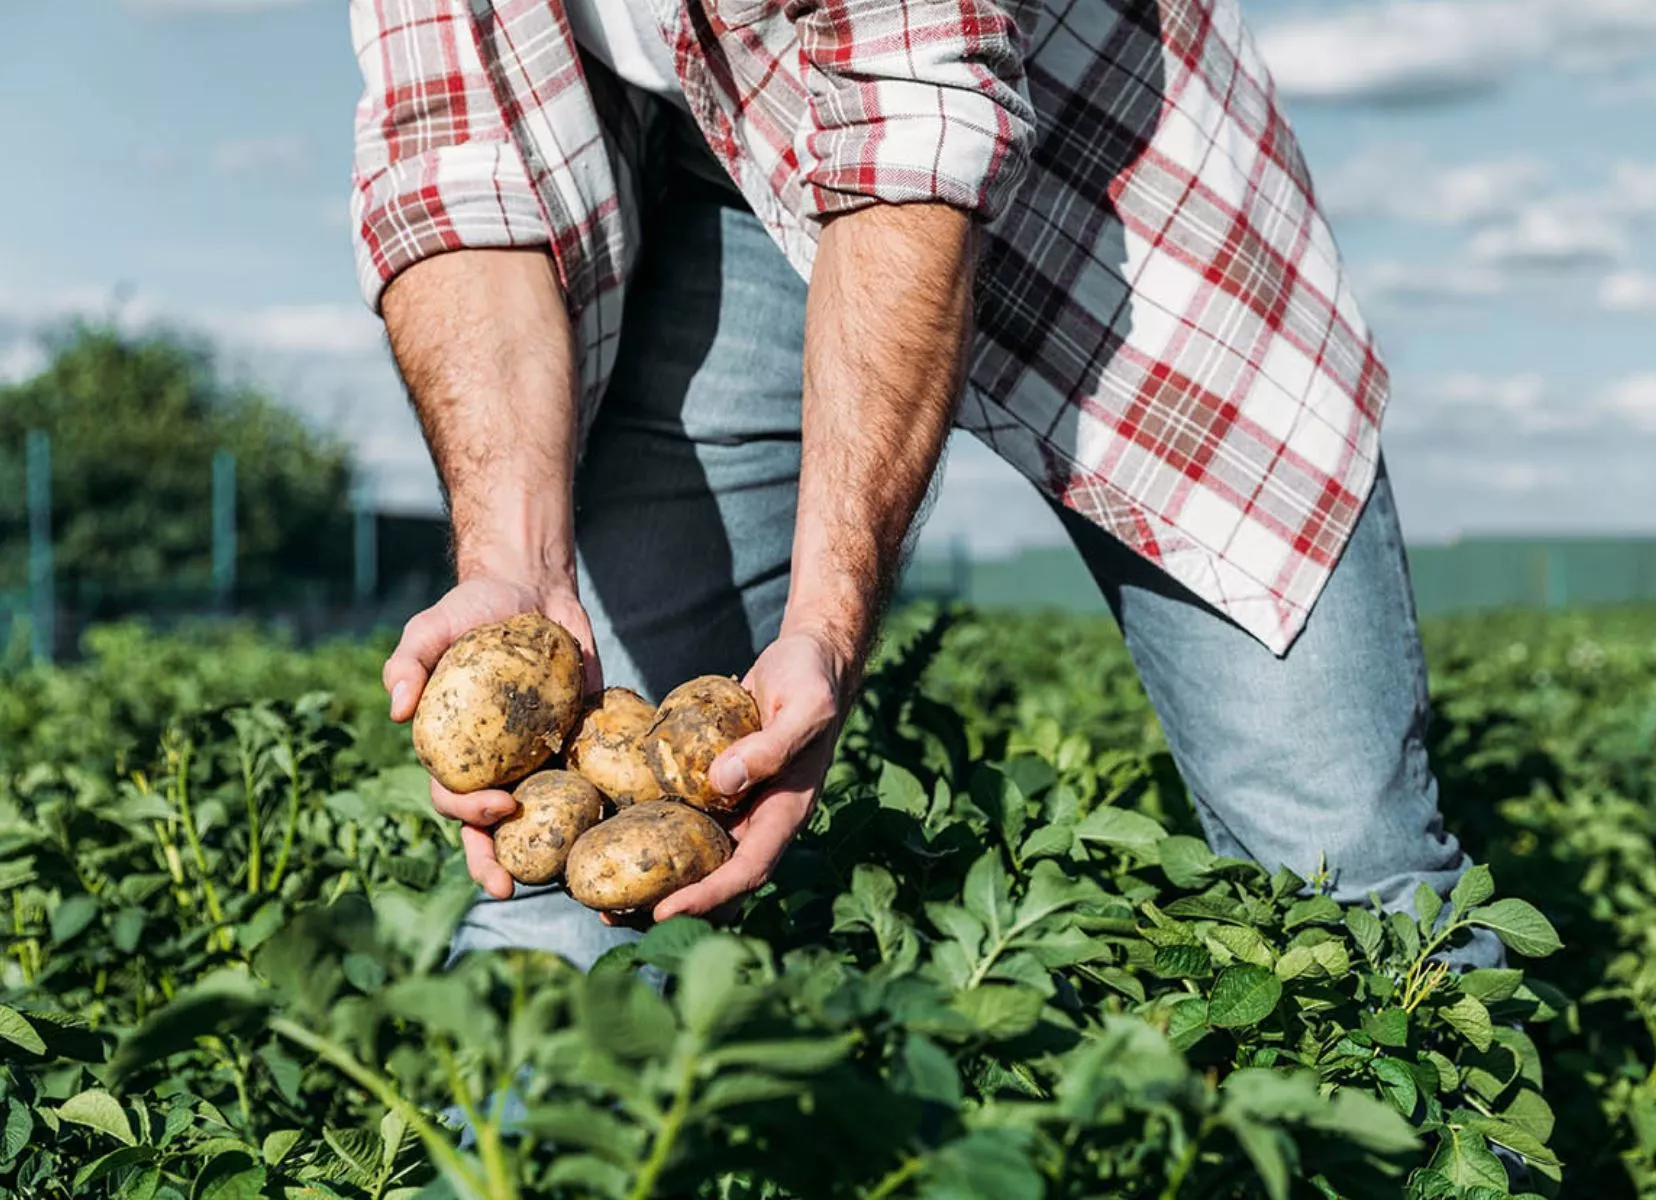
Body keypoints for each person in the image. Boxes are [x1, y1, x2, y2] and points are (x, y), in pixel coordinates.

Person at [349, 0, 1503, 971]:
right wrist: (513, 559)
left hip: (1103, 171)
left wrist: (827, 629)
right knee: (569, 857)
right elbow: (455, 165)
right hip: (705, 176)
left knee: (1343, 868)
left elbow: (908, 115)